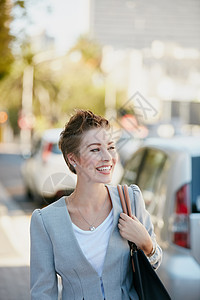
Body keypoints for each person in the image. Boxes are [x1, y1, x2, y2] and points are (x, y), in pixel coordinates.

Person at [30, 109, 162, 300]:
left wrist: (146, 243)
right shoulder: (45, 222)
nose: (107, 157)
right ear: (73, 159)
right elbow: (42, 293)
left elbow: (155, 264)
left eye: (110, 147)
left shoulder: (130, 200)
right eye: (95, 149)